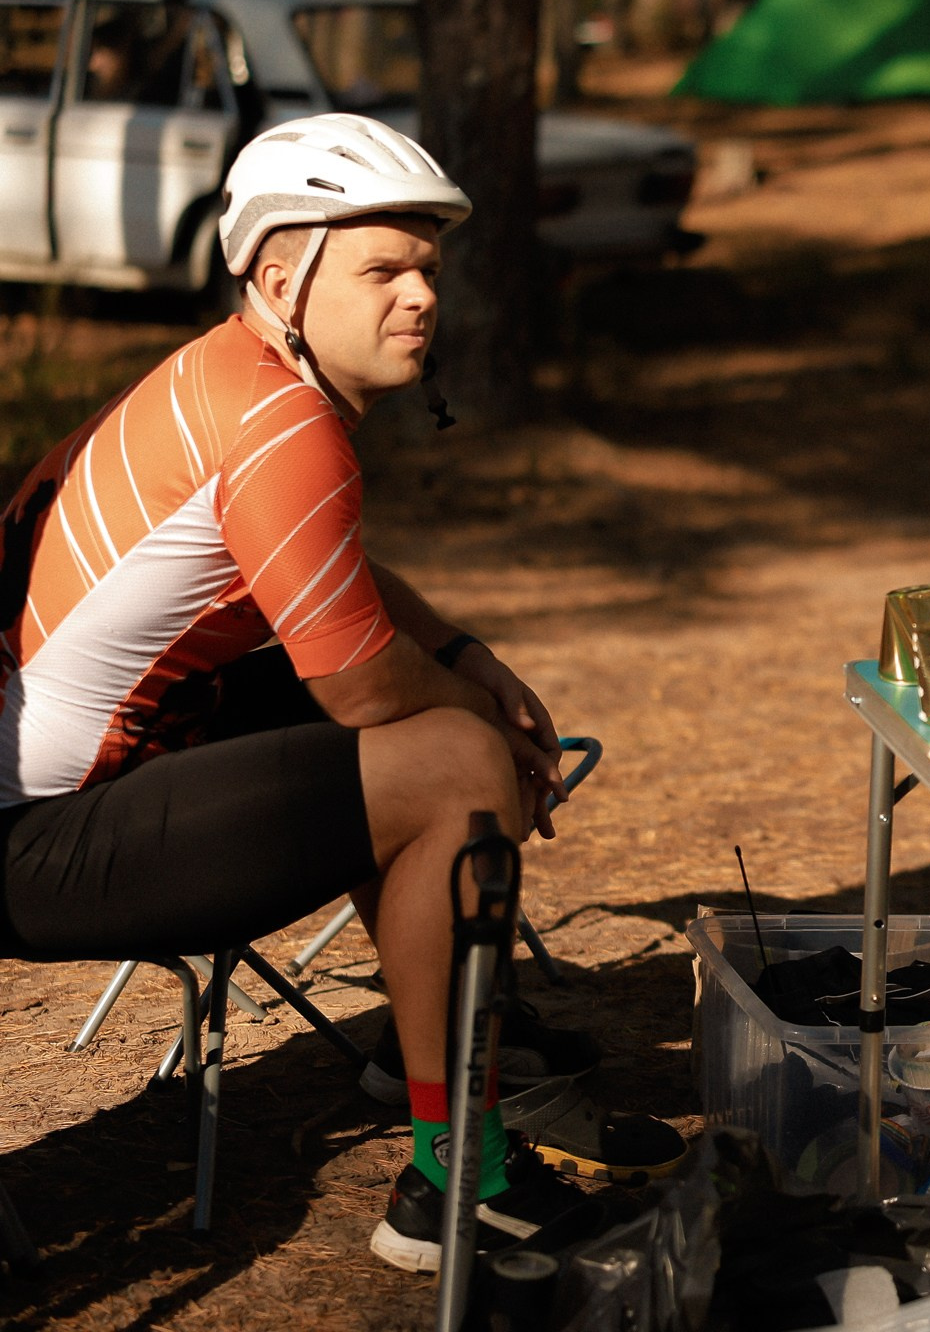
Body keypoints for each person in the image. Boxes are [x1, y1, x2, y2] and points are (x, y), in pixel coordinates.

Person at [0, 114, 604, 1271]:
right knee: (456, 766)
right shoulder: (283, 426)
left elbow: (325, 574)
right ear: (283, 281)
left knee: (406, 717)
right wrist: (486, 723)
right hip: (34, 844)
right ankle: (460, 1175)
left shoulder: (231, 376)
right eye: (384, 271)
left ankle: (424, 1041)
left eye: (429, 270)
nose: (422, 297)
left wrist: (463, 652)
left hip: (66, 789)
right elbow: (366, 687)